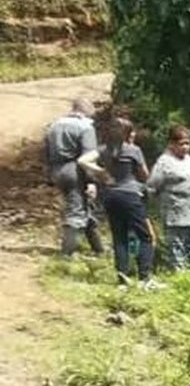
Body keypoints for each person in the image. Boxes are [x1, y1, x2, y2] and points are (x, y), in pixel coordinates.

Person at [78, 117, 160, 288]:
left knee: (119, 237)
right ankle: (145, 277)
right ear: (128, 134)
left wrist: (101, 172)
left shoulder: (104, 150)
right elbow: (145, 175)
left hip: (110, 196)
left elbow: (82, 160)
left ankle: (122, 279)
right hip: (130, 195)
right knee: (145, 236)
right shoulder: (133, 150)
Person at [44, 98, 104, 256]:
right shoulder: (86, 127)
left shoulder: (54, 125)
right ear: (87, 110)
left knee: (83, 207)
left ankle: (98, 248)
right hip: (75, 170)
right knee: (76, 211)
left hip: (57, 169)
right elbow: (88, 156)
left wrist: (49, 174)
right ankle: (67, 253)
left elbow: (46, 152)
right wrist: (91, 181)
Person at [147, 126, 190, 269]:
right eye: (181, 144)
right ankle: (179, 272)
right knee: (176, 243)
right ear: (171, 144)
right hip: (176, 212)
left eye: (187, 143)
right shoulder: (164, 162)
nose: (185, 147)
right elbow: (152, 184)